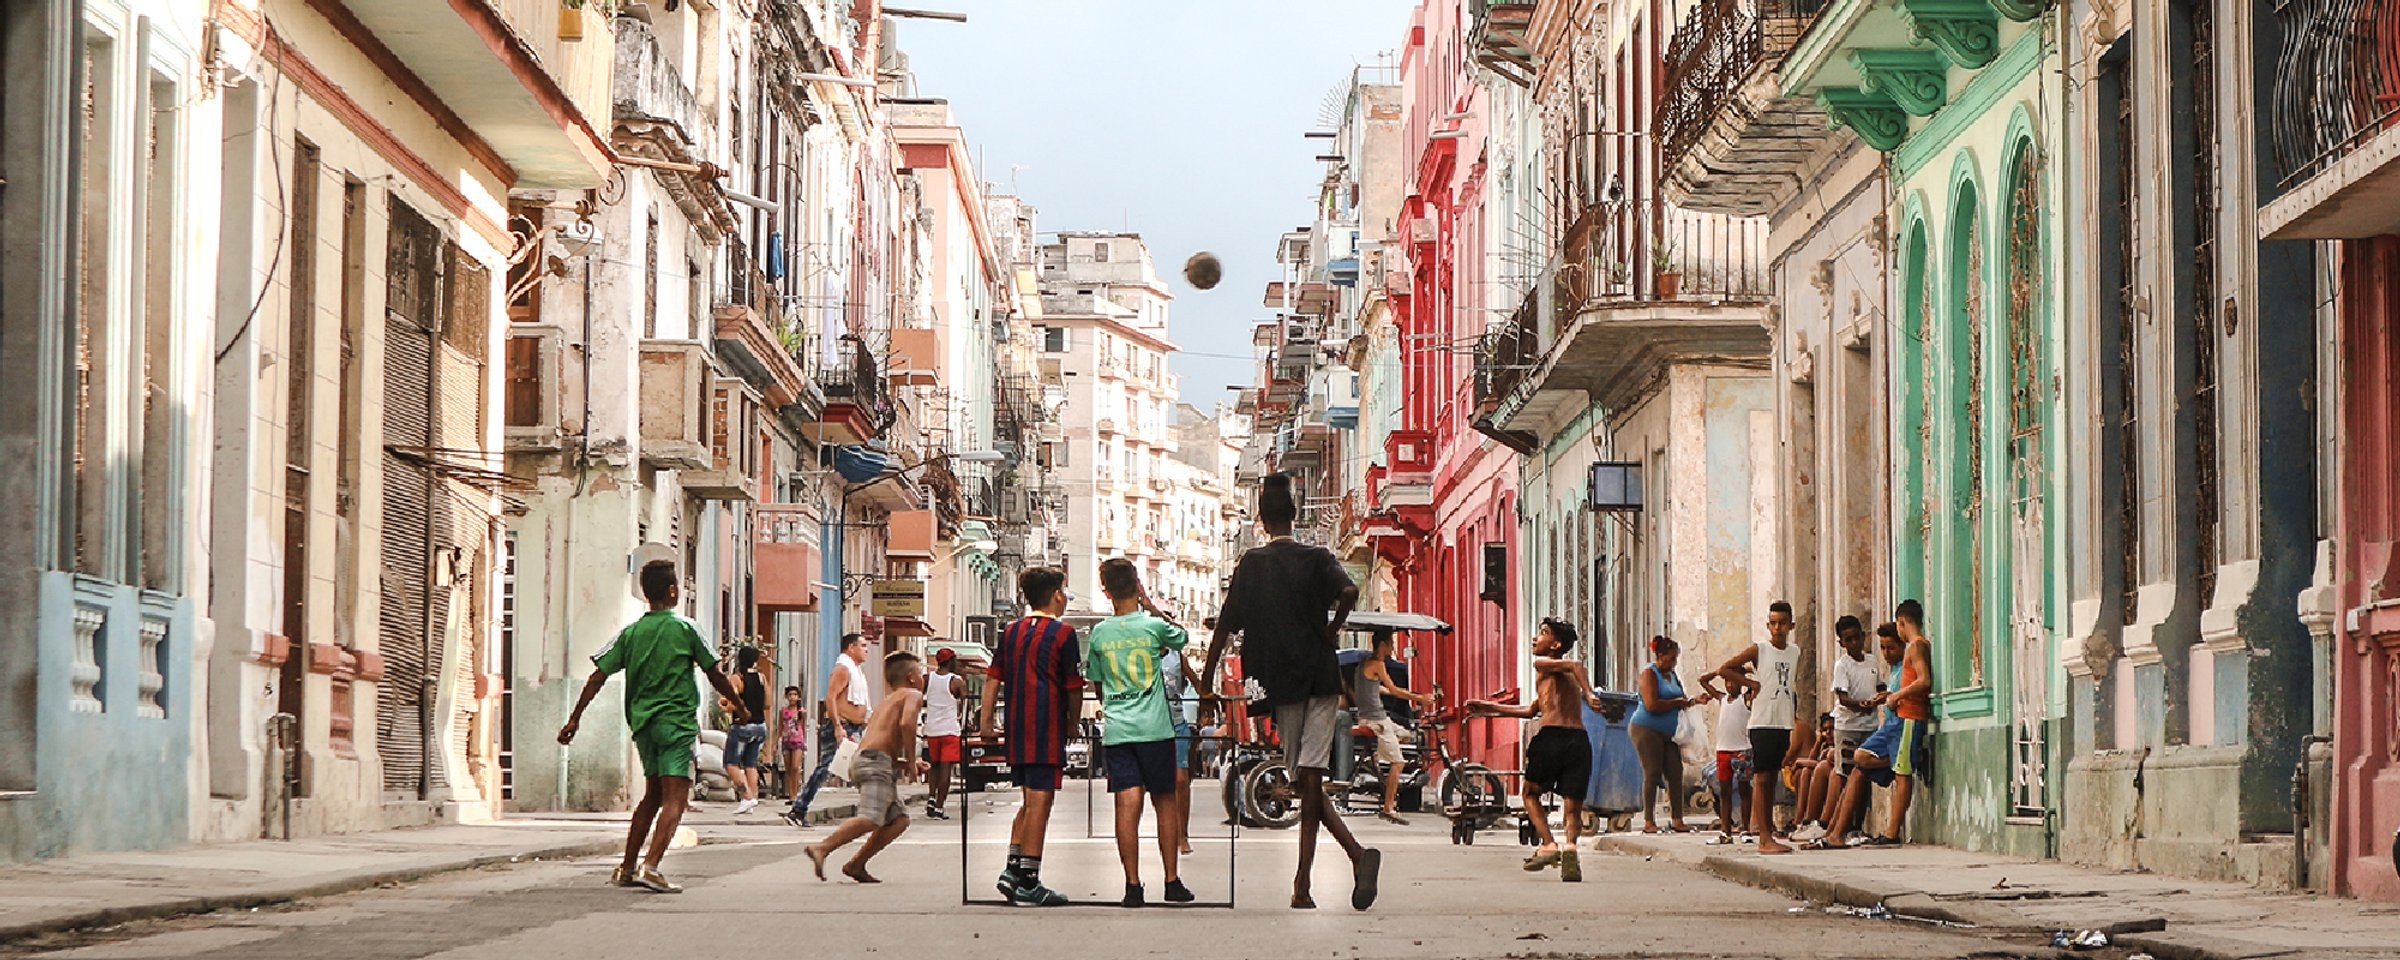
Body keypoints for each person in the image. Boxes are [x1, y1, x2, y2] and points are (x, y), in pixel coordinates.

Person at [1203, 472, 1380, 911]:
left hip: (1280, 684)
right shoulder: (1318, 557)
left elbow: (1225, 627)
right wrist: (1330, 632)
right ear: (1295, 515)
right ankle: (1343, 863)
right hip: (1321, 678)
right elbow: (1350, 590)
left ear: (1262, 519)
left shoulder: (1252, 565)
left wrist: (1206, 684)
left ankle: (1312, 881)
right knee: (1309, 780)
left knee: (1306, 780)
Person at [556, 561, 751, 893]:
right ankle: (652, 866)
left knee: (652, 795)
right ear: (672, 591)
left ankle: (628, 866)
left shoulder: (630, 633)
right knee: (676, 795)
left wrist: (574, 718)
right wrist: (741, 705)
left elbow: (597, 675)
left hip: (643, 725)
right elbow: (714, 672)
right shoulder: (686, 628)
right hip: (676, 723)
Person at [1084, 559, 1194, 907]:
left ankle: (1132, 886)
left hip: (1119, 732)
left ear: (1106, 591)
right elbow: (1182, 637)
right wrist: (1150, 606)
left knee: (1126, 804)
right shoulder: (1152, 627)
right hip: (1156, 730)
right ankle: (1171, 881)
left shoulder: (1100, 633)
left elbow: (1098, 685)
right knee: (1165, 802)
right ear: (1137, 586)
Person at [1464, 619, 1604, 882]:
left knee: (1530, 793)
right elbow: (1530, 711)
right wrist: (1488, 708)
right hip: (1579, 740)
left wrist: (1590, 694)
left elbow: (1575, 664)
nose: (1534, 638)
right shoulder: (1562, 682)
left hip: (1552, 738)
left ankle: (1549, 845)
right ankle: (1571, 847)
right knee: (1572, 805)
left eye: (1543, 634)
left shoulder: (1542, 664)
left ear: (1556, 645)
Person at [980, 567, 1079, 906]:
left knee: (1028, 800)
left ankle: (1011, 869)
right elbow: (1073, 686)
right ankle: (1029, 880)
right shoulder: (1064, 634)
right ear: (1055, 595)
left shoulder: (1010, 632)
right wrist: (1073, 722)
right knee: (1041, 801)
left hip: (1017, 728)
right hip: (1045, 726)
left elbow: (993, 678)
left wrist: (986, 721)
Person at [805, 652, 926, 884]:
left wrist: (904, 763)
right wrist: (911, 761)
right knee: (871, 817)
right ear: (912, 677)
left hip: (868, 759)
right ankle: (822, 848)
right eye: (920, 673)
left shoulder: (887, 701)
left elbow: (882, 743)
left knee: (899, 820)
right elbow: (907, 724)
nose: (922, 678)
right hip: (873, 761)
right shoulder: (913, 694)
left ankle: (856, 864)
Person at [1823, 607, 1934, 849]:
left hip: (1906, 716)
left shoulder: (1915, 646)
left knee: (1901, 775)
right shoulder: (1904, 655)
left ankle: (1891, 833)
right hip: (1894, 721)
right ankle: (1834, 830)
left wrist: (1896, 696)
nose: (1885, 652)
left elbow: (1924, 680)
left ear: (1902, 623)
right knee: (1861, 758)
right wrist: (1888, 697)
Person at [1712, 600, 1802, 854]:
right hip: (1762, 722)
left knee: (1772, 776)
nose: (1778, 628)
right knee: (1762, 779)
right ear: (1768, 625)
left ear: (1791, 625)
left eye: (1782, 623)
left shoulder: (1794, 652)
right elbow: (1725, 669)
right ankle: (1763, 837)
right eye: (1773, 623)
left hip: (1782, 721)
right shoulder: (1760, 649)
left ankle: (1768, 833)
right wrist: (1751, 684)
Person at [1795, 617, 1880, 842]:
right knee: (1845, 776)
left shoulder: (1872, 662)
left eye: (1857, 638)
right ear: (1842, 642)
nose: (1854, 643)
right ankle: (1840, 825)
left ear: (1864, 637)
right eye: (1848, 640)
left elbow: (1880, 686)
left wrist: (1879, 698)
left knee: (1864, 776)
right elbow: (1842, 697)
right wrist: (1861, 705)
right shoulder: (1842, 665)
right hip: (1848, 727)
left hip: (1870, 726)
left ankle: (1857, 827)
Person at [782, 634, 871, 827]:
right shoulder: (843, 669)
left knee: (861, 767)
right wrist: (838, 727)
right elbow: (830, 698)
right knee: (826, 768)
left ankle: (872, 809)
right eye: (862, 646)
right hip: (842, 726)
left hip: (854, 726)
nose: (866, 650)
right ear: (851, 648)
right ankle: (798, 809)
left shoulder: (856, 671)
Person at [1627, 635, 1710, 833]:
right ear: (1660, 655)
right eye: (1671, 658)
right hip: (1647, 729)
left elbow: (1681, 699)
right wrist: (1677, 703)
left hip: (1670, 733)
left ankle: (1677, 819)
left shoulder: (1672, 676)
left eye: (1675, 659)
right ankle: (1649, 821)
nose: (1673, 663)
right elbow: (1651, 704)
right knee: (1652, 772)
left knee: (1675, 771)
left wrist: (1694, 701)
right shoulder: (1649, 673)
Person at [1353, 630, 1436, 825]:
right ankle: (1388, 807)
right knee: (1398, 763)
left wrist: (1396, 694)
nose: (1392, 647)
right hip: (1377, 720)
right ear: (1382, 645)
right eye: (1390, 643)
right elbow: (1393, 689)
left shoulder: (1363, 664)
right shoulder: (1378, 663)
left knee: (1406, 735)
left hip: (1374, 718)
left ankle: (1377, 759)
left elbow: (1376, 688)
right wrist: (1419, 698)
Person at [1698, 664, 1755, 843]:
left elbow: (1756, 686)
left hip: (1742, 750)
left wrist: (1744, 674)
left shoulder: (1745, 699)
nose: (1731, 685)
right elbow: (1703, 681)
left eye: (1734, 681)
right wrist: (1718, 671)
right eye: (1727, 681)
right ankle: (1726, 831)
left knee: (1745, 790)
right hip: (1723, 751)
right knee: (1725, 791)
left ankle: (1745, 829)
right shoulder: (1722, 699)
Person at [1165, 642, 1204, 856]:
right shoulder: (1144, 651)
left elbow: (1195, 681)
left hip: (1177, 721)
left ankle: (1182, 835)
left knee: (1181, 780)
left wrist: (1206, 698)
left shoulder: (1176, 656)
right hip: (1151, 722)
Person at [720, 646, 770, 815]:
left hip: (742, 725)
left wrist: (725, 707)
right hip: (760, 726)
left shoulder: (736, 678)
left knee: (731, 763)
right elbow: (767, 703)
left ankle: (747, 797)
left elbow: (732, 702)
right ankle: (752, 798)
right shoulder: (762, 678)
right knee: (751, 764)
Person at [921, 649, 968, 820]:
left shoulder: (927, 679)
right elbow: (965, 703)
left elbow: (920, 698)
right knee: (946, 769)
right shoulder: (956, 681)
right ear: (951, 661)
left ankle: (931, 797)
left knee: (934, 765)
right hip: (949, 729)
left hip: (932, 729)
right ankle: (939, 806)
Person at [778, 685, 807, 800]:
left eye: (794, 695)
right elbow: (780, 726)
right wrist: (776, 742)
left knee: (795, 767)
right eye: (790, 695)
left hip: (798, 741)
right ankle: (792, 795)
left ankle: (796, 792)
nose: (792, 697)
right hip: (786, 740)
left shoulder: (801, 711)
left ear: (798, 697)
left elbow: (803, 726)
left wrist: (804, 740)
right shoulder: (783, 711)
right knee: (789, 769)